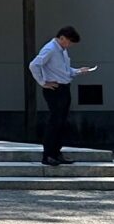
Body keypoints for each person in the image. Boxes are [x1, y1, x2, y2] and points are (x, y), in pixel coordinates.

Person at [27, 25, 97, 165]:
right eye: (68, 42)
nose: (69, 45)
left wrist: (77, 71)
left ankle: (57, 153)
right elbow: (34, 65)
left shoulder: (61, 51)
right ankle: (48, 155)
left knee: (61, 122)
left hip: (63, 87)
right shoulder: (50, 48)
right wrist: (42, 82)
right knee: (54, 122)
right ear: (62, 37)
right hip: (54, 89)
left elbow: (63, 70)